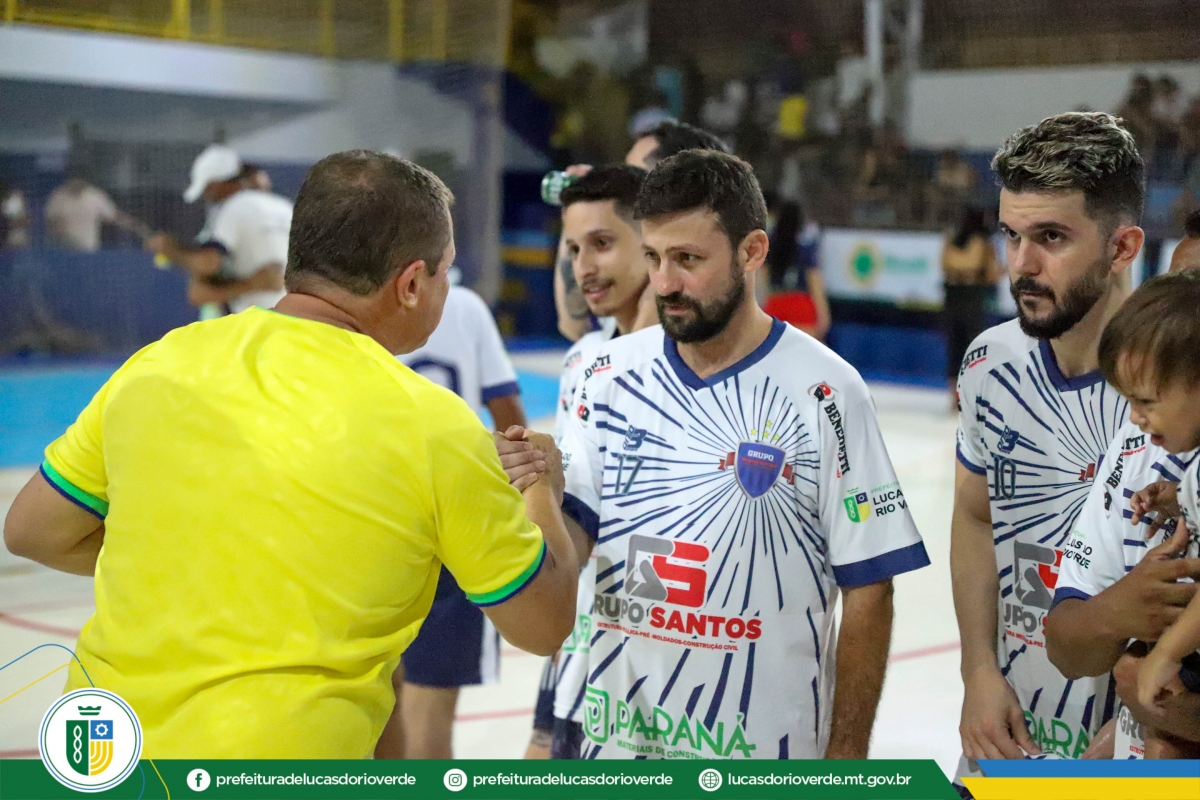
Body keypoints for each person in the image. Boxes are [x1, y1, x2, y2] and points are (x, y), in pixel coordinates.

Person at [3, 150, 584, 758]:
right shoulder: (433, 425)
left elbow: (32, 530)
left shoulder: (157, 364)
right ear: (412, 284)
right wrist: (543, 487)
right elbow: (543, 626)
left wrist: (194, 563)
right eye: (445, 272)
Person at [558, 149, 930, 759]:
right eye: (653, 257)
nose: (664, 283)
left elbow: (870, 589)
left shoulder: (828, 391)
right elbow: (562, 556)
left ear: (752, 251)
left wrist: (845, 759)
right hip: (614, 753)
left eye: (688, 259)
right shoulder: (602, 376)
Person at [952, 113, 1145, 783]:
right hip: (1005, 739)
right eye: (1012, 235)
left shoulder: (1181, 391)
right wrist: (978, 670)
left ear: (1122, 248)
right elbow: (974, 517)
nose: (1022, 265)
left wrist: (1142, 728)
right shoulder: (988, 364)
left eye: (1051, 238)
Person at [1047, 267, 1200, 761]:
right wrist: (1118, 610)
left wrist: (1165, 654)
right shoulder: (1142, 451)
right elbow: (1066, 642)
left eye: (1146, 400)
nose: (1134, 416)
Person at [374, 277, 528, 760]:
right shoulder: (465, 307)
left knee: (373, 704)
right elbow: (509, 415)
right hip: (450, 521)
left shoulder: (353, 308)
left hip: (370, 520)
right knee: (428, 710)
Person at [530, 164, 653, 760]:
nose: (582, 266)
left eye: (601, 244)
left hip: (656, 653)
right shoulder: (584, 359)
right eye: (573, 249)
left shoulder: (689, 364)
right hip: (584, 638)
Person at [554, 121, 729, 343]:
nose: (622, 183)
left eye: (636, 175)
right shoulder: (628, 293)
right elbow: (574, 325)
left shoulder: (695, 294)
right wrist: (581, 209)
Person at [145, 144, 291, 314]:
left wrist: (171, 250)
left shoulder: (232, 208)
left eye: (206, 190)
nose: (208, 198)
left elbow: (208, 265)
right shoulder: (286, 208)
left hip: (258, 321)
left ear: (215, 184)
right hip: (299, 319)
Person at [942, 207, 1003, 410]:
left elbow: (943, 265)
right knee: (973, 349)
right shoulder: (984, 243)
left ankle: (954, 398)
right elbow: (991, 274)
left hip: (952, 297)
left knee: (954, 347)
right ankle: (970, 397)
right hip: (972, 299)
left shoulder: (951, 240)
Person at [45, 177, 138, 252]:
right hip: (64, 251)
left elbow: (114, 217)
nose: (75, 183)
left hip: (89, 250)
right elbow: (52, 223)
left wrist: (139, 228)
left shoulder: (95, 196)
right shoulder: (58, 197)